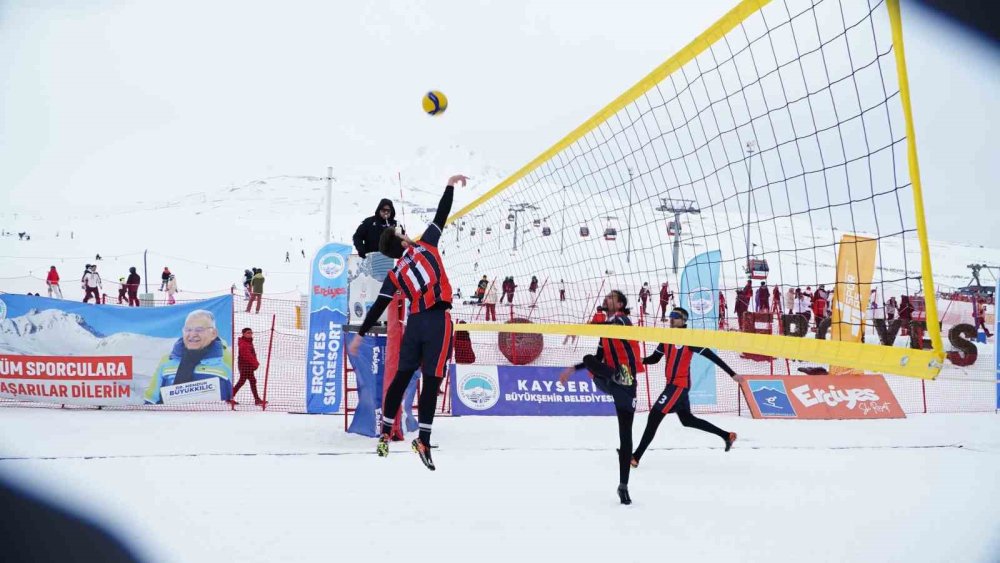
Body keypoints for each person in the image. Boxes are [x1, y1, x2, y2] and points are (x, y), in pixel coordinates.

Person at [348, 174, 469, 471]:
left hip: (414, 325)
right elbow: (442, 212)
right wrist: (450, 185)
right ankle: (424, 439)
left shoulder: (394, 274)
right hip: (437, 320)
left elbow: (378, 306)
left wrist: (361, 333)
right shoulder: (426, 243)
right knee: (431, 381)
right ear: (402, 239)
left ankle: (386, 432)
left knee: (401, 379)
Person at [559, 290, 643, 505]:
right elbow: (595, 359)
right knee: (589, 358)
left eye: (611, 298)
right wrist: (573, 369)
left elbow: (613, 325)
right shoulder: (604, 332)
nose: (606, 300)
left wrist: (582, 328)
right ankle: (617, 375)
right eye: (606, 297)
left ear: (621, 303)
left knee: (626, 437)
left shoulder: (623, 321)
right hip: (611, 380)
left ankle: (623, 485)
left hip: (627, 387)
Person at [630, 307, 738, 468]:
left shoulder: (688, 338)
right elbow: (654, 359)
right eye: (671, 315)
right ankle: (727, 435)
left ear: (684, 321)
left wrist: (732, 374)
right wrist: (637, 361)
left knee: (654, 416)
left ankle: (635, 457)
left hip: (678, 385)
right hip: (673, 385)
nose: (672, 319)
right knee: (687, 420)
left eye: (676, 316)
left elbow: (711, 356)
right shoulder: (667, 337)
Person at [144, 310, 233, 404]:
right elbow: (151, 399)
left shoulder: (225, 360)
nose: (193, 334)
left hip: (212, 417)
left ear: (213, 333)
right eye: (188, 330)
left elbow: (231, 397)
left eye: (199, 330)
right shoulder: (167, 361)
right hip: (171, 417)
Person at [353, 198, 399, 280]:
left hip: (389, 262)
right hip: (371, 260)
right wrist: (361, 250)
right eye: (383, 210)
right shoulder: (369, 222)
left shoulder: (395, 225)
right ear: (379, 210)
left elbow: (402, 241)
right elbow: (357, 237)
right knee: (372, 285)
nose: (386, 212)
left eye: (388, 210)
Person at [233, 328, 264, 405]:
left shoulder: (248, 342)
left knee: (251, 381)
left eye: (251, 333)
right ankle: (229, 397)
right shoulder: (244, 343)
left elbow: (251, 354)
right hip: (245, 365)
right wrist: (255, 363)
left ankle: (257, 399)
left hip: (248, 365)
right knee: (243, 381)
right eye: (248, 333)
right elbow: (248, 356)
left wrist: (254, 363)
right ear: (243, 334)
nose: (250, 334)